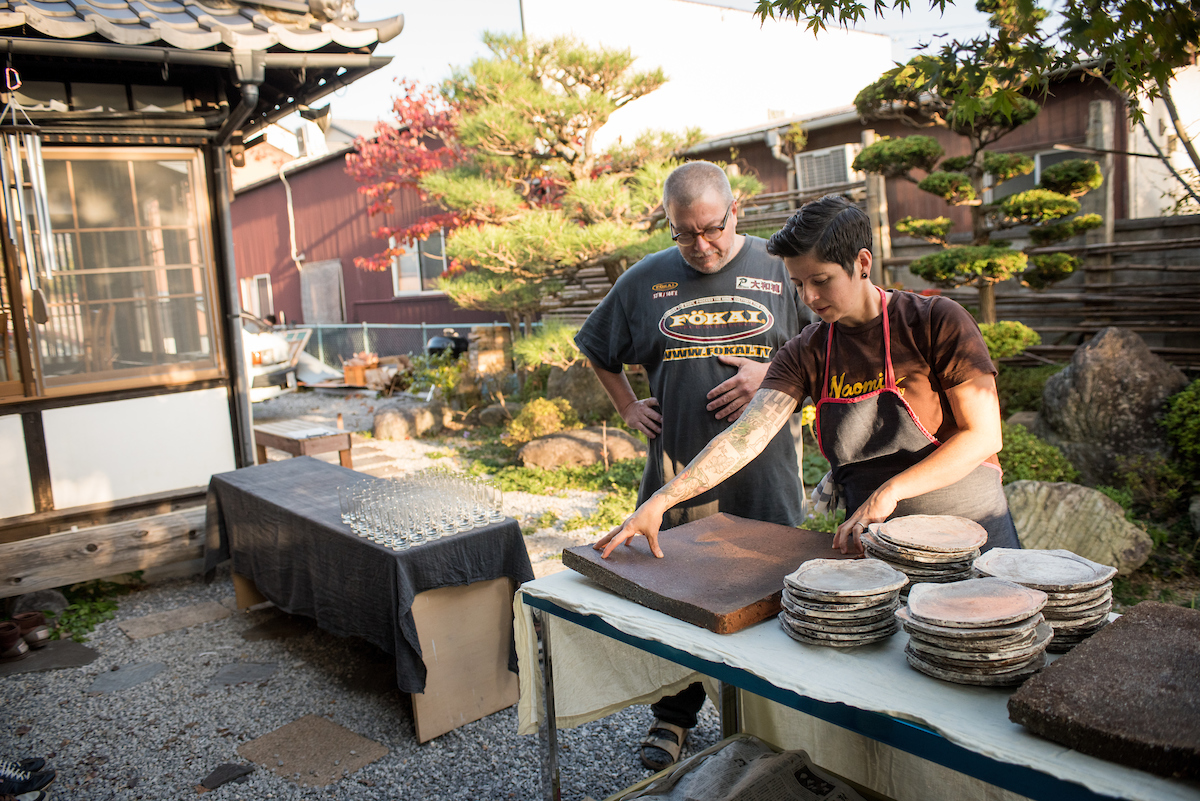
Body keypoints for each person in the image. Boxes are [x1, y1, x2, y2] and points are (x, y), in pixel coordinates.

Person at [596, 194, 1019, 572]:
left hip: (970, 529)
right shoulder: (807, 350)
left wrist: (892, 490)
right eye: (798, 284)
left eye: (821, 281)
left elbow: (983, 436)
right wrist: (662, 500)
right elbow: (743, 437)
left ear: (862, 263)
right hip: (877, 541)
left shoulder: (934, 321)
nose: (810, 298)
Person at [575, 161, 808, 770]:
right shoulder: (645, 280)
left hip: (768, 479)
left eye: (713, 228)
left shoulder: (782, 269)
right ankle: (675, 716)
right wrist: (627, 403)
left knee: (776, 601)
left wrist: (775, 373)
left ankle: (774, 731)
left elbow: (833, 353)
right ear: (669, 224)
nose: (701, 245)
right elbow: (596, 346)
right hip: (678, 483)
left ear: (736, 211)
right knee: (676, 604)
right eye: (685, 233)